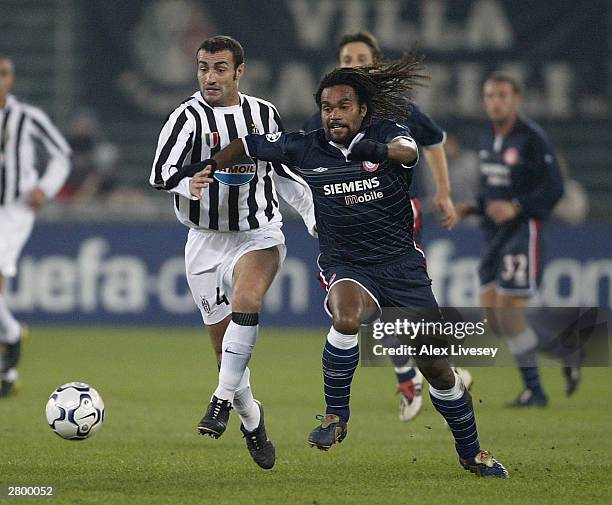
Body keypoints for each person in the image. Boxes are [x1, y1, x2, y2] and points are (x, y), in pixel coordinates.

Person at [189, 56, 509, 478]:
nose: (333, 114)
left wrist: (372, 149)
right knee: (346, 315)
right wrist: (212, 166)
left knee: (437, 368)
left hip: (402, 267)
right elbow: (250, 145)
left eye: (343, 106)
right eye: (326, 107)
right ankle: (335, 415)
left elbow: (409, 152)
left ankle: (471, 453)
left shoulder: (387, 133)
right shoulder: (307, 146)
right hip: (347, 263)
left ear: (362, 110)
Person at [149, 36, 314, 470]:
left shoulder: (262, 114)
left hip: (258, 233)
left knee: (248, 300)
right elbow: (160, 173)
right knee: (226, 354)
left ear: (240, 71)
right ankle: (252, 419)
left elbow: (282, 173)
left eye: (220, 68)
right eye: (204, 67)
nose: (210, 77)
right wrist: (188, 182)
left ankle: (219, 400)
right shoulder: (185, 118)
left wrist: (315, 218)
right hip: (203, 242)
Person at [303, 31, 462, 422]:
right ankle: (412, 372)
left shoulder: (399, 109)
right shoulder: (330, 113)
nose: (354, 65)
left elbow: (434, 140)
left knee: (392, 301)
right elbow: (302, 164)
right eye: (347, 58)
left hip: (395, 217)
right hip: (349, 220)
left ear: (375, 63)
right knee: (363, 308)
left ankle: (415, 373)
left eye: (361, 59)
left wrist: (443, 192)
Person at [457, 72, 564, 407]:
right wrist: (474, 207)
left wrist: (517, 207)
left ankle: (536, 390)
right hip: (494, 234)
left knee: (510, 313)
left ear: (516, 99)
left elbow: (554, 186)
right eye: (489, 96)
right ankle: (561, 351)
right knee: (493, 318)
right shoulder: (487, 136)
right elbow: (494, 189)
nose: (495, 102)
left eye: (501, 95)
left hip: (522, 230)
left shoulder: (532, 138)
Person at [0, 55, 71, 397]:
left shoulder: (27, 117)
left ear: (11, 80)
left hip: (14, 210)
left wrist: (45, 187)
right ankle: (11, 338)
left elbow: (61, 153)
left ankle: (10, 346)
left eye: (3, 74)